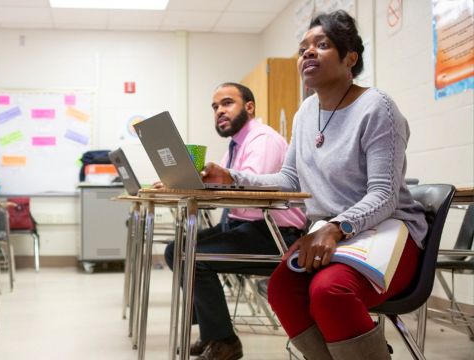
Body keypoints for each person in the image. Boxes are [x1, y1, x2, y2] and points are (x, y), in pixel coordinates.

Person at [201, 11, 427, 360]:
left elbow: (383, 194)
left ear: (350, 57)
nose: (307, 53)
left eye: (321, 45)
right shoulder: (306, 112)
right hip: (333, 235)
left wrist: (336, 228)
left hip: (389, 234)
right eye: (303, 47)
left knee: (329, 291)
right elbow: (289, 179)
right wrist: (232, 177)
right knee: (281, 289)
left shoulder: (376, 108)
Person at [163, 82, 307, 360]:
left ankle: (225, 341)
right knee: (175, 249)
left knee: (193, 256)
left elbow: (247, 191)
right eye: (215, 107)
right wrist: (178, 182)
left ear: (249, 107)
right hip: (246, 227)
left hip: (276, 234)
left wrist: (204, 184)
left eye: (227, 103)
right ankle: (211, 331)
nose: (219, 111)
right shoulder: (236, 145)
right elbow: (219, 180)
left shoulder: (261, 139)